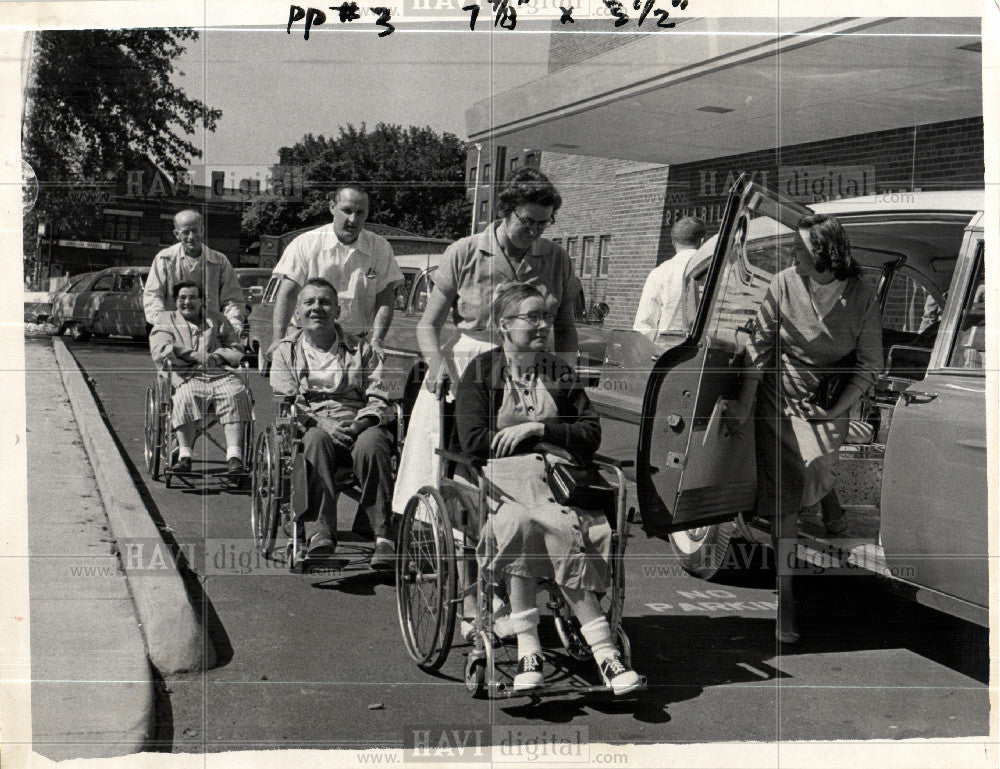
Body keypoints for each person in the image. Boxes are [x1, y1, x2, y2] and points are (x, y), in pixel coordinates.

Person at [456, 283, 643, 695]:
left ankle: (532, 649)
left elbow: (591, 432)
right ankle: (601, 652)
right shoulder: (481, 372)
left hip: (558, 480)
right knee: (538, 522)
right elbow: (472, 440)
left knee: (531, 522)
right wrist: (540, 442)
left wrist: (539, 427)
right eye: (531, 317)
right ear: (504, 325)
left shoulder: (558, 372)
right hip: (500, 477)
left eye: (546, 317)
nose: (543, 325)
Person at [724, 214, 883, 644]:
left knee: (817, 465)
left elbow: (871, 365)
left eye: (800, 248)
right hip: (779, 394)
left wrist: (837, 411)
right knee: (786, 493)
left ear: (827, 254)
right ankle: (787, 596)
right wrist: (742, 406)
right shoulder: (783, 283)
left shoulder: (863, 295)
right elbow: (758, 348)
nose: (791, 254)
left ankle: (828, 497)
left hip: (829, 398)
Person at [392, 167, 579, 519]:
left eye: (544, 223)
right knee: (457, 450)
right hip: (470, 363)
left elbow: (567, 326)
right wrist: (436, 366)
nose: (535, 231)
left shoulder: (556, 259)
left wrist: (565, 374)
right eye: (527, 221)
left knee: (531, 450)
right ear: (505, 210)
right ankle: (440, 522)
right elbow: (427, 326)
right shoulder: (464, 252)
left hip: (531, 366)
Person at [269, 278, 396, 567]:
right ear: (297, 312)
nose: (317, 308)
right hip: (311, 424)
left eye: (325, 302)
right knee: (314, 440)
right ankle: (319, 534)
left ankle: (384, 539)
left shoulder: (361, 350)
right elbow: (286, 399)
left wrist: (361, 424)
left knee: (375, 443)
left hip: (357, 422)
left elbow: (379, 396)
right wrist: (321, 424)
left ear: (338, 311)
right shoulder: (285, 352)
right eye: (310, 302)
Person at [267, 187, 403, 357]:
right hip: (307, 342)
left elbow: (385, 298)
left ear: (367, 214)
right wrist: (278, 340)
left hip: (356, 346)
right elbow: (288, 292)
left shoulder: (379, 248)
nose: (353, 219)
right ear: (332, 207)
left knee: (357, 384)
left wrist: (377, 341)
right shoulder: (305, 244)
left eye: (360, 213)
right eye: (346, 211)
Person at [149, 281, 252, 476]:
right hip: (185, 374)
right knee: (186, 396)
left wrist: (218, 356)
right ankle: (185, 455)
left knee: (236, 393)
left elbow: (236, 348)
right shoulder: (165, 320)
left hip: (217, 372)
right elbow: (160, 348)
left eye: (193, 297)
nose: (187, 302)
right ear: (175, 301)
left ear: (202, 300)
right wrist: (193, 355)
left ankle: (234, 457)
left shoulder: (217, 319)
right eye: (182, 298)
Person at [144, 209, 244, 330]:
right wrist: (162, 322)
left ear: (202, 230)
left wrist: (232, 326)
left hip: (210, 330)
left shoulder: (220, 261)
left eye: (195, 230)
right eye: (186, 232)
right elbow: (153, 295)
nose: (191, 236)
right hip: (174, 329)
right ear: (177, 234)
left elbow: (232, 299)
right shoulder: (164, 259)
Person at [633, 216, 707, 337]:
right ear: (703, 241)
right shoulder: (720, 270)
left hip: (670, 350)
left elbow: (645, 325)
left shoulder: (660, 273)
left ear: (673, 243)